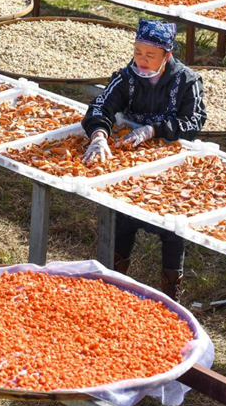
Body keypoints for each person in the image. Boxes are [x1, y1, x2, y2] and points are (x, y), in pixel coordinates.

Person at [81, 18, 206, 301]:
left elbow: (194, 121)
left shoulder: (188, 81)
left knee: (171, 226)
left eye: (150, 55)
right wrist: (99, 134)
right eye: (138, 52)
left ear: (167, 55)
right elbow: (101, 106)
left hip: (171, 162)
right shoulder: (127, 77)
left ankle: (171, 293)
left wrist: (155, 130)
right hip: (131, 159)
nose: (142, 60)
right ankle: (115, 286)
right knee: (124, 217)